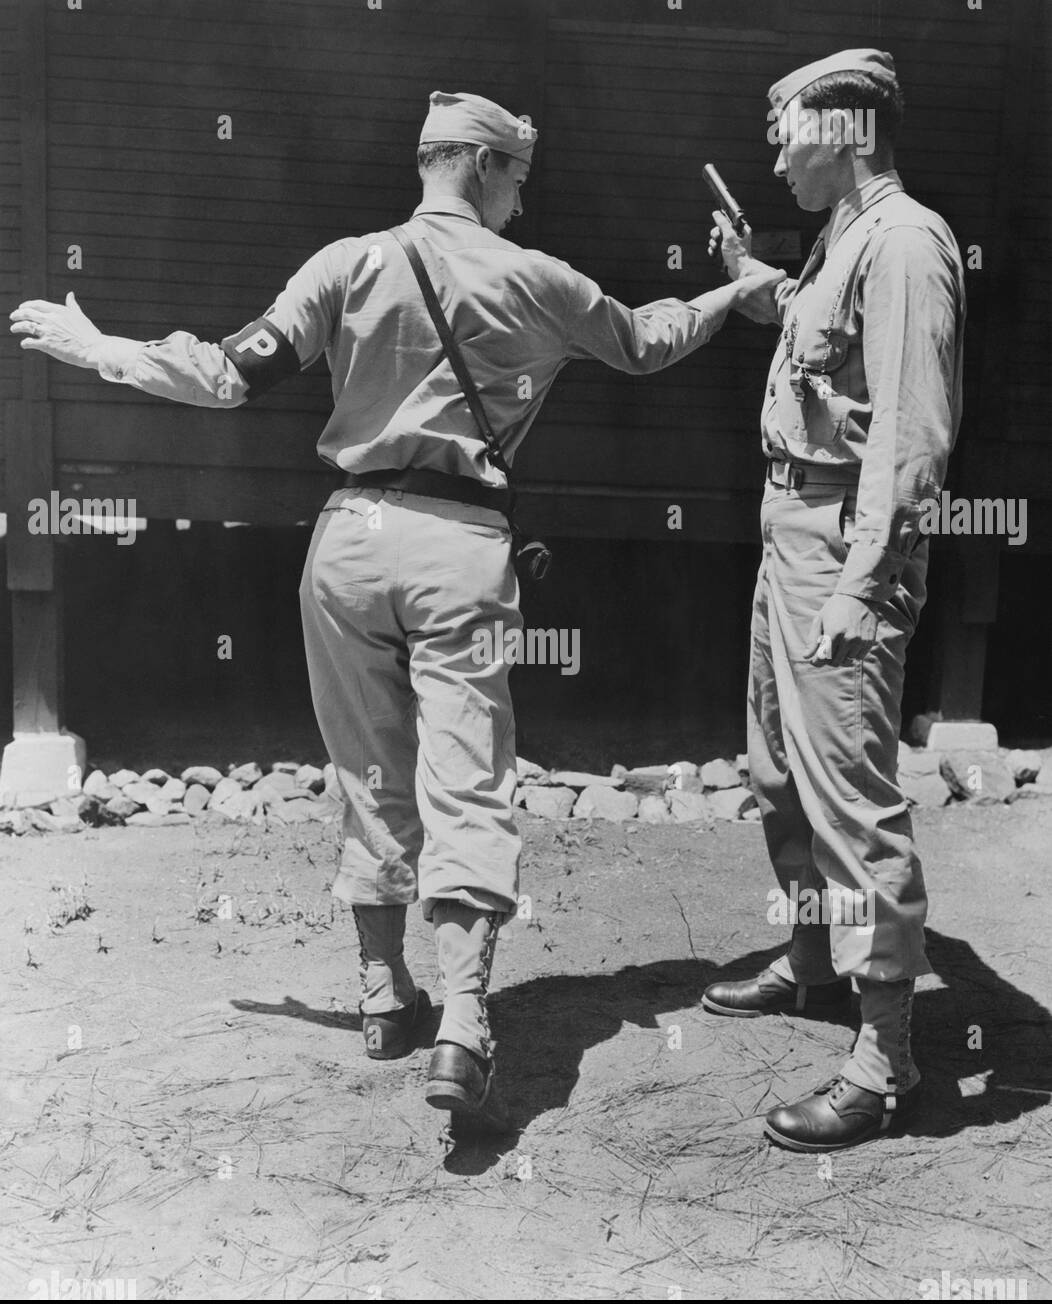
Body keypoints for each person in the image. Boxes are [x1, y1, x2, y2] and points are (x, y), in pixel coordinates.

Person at [12, 90, 784, 1132]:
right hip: (458, 546)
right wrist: (732, 292)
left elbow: (231, 374)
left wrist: (102, 346)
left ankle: (383, 995)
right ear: (479, 166)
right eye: (515, 179)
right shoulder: (534, 278)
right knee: (466, 779)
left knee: (367, 770)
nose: (520, 201)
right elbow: (645, 340)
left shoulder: (345, 263)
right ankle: (465, 1022)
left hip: (347, 544)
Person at [703, 50, 966, 1151]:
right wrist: (749, 273)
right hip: (789, 535)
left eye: (785, 133)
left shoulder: (904, 243)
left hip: (842, 546)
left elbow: (905, 438)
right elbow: (822, 337)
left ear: (846, 128)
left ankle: (884, 1056)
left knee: (849, 795)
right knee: (778, 772)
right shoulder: (843, 239)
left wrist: (863, 585)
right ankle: (815, 958)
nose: (772, 155)